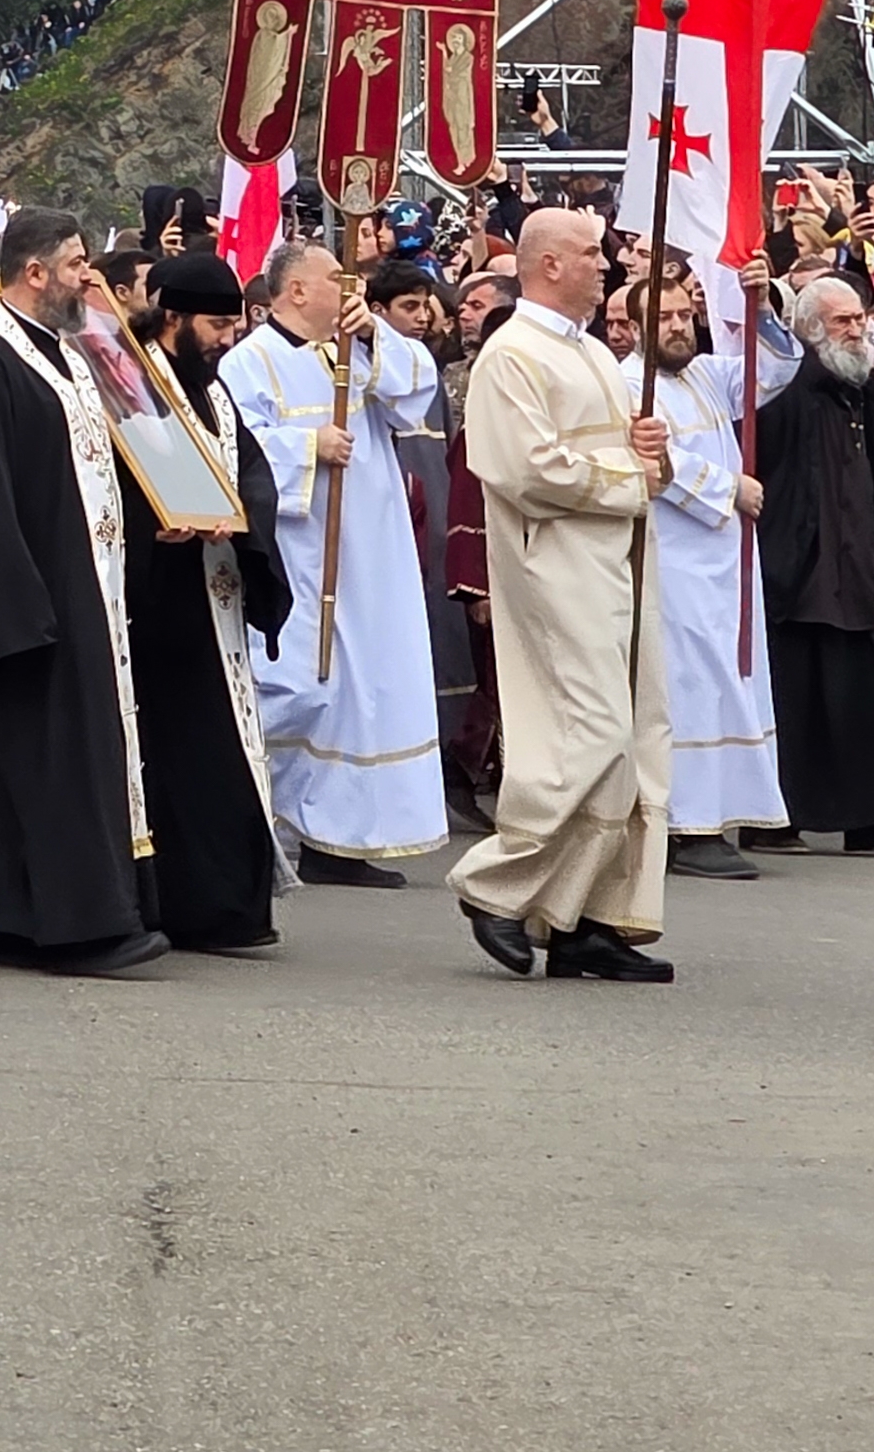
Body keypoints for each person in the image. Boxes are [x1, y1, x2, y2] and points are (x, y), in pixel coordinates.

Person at [0, 210, 162, 976]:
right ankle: (74, 926)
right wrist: (17, 615)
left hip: (83, 587)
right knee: (38, 762)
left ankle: (5, 919)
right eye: (73, 265)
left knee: (61, 760)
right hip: (31, 608)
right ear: (34, 272)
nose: (84, 278)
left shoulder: (60, 353)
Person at [452, 208, 677, 983]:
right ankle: (495, 882)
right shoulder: (509, 353)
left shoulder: (589, 353)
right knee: (591, 730)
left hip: (615, 560)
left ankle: (587, 914)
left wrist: (649, 450)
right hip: (554, 563)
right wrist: (629, 478)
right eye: (591, 253)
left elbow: (624, 457)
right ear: (547, 263)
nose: (606, 264)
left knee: (637, 731)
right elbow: (526, 469)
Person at [218, 240, 448, 884]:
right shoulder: (249, 362)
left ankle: (339, 837)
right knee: (298, 686)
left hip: (369, 554)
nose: (350, 294)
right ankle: (262, 822)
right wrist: (305, 445)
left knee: (362, 692)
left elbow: (415, 392)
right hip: (303, 552)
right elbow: (235, 448)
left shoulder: (354, 352)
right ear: (294, 291)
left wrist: (375, 333)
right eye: (336, 283)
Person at [129, 249, 296, 954]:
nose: (228, 338)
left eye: (234, 324)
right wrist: (156, 523)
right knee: (167, 759)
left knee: (221, 755)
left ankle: (225, 906)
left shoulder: (216, 394)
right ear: (172, 319)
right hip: (153, 603)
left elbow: (251, 472)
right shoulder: (132, 385)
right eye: (215, 324)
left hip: (213, 597)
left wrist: (239, 521)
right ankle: (172, 905)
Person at [754, 275, 874, 857]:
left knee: (870, 695)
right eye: (842, 321)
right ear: (812, 330)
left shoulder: (873, 391)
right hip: (801, 569)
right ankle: (777, 818)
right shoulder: (783, 392)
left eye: (860, 317)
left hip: (861, 565)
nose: (857, 328)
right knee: (794, 699)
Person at [624, 261, 794, 882]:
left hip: (723, 561)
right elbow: (655, 463)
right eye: (662, 317)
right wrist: (730, 489)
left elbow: (771, 374)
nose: (676, 326)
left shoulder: (703, 375)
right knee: (689, 687)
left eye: (681, 314)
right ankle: (685, 822)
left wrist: (762, 307)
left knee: (726, 681)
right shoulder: (627, 384)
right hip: (673, 562)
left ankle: (718, 813)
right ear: (634, 326)